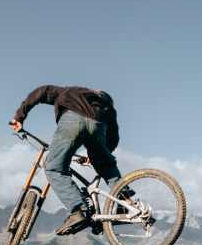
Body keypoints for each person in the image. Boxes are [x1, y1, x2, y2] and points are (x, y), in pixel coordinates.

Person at [9, 85, 121, 235]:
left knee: (53, 167)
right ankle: (124, 201)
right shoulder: (106, 106)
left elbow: (40, 92)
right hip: (98, 125)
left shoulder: (71, 92)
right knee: (106, 165)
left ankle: (78, 209)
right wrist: (99, 155)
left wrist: (19, 116)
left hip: (72, 120)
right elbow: (113, 138)